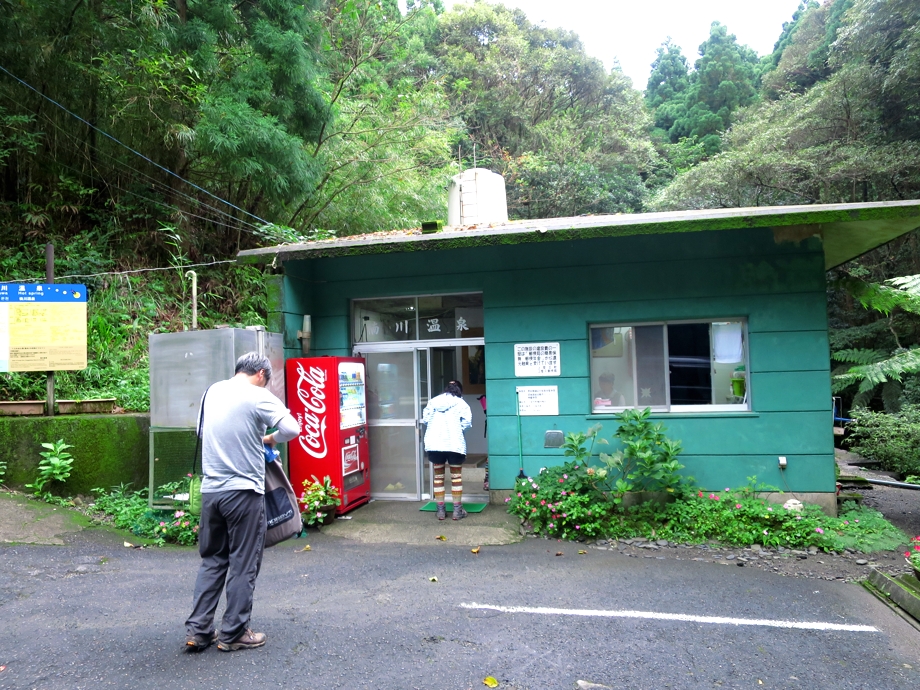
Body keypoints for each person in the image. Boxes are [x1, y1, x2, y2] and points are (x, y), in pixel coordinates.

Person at [185, 352, 300, 653]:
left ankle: (199, 631)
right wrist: (268, 439)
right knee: (243, 562)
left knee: (213, 560)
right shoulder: (256, 395)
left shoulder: (212, 391)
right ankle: (233, 633)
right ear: (261, 374)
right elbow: (292, 429)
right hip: (243, 493)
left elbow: (200, 431)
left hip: (211, 492)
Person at [422, 380, 472, 521]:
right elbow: (467, 423)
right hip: (454, 444)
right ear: (459, 390)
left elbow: (426, 419)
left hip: (435, 444)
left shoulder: (433, 402)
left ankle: (440, 511)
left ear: (446, 389)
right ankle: (457, 511)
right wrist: (457, 430)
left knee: (438, 477)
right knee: (456, 477)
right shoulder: (461, 403)